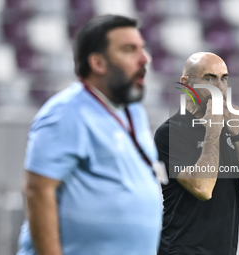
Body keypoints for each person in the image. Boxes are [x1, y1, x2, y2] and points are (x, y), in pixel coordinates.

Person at [17, 15, 163, 255]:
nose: (144, 58)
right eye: (129, 50)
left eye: (142, 48)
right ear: (98, 63)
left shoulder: (133, 111)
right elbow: (38, 191)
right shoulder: (66, 113)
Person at [154, 52, 239, 255]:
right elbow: (202, 188)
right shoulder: (171, 131)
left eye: (224, 79)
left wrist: (237, 133)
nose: (219, 88)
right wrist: (213, 130)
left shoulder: (230, 130)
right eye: (209, 78)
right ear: (186, 83)